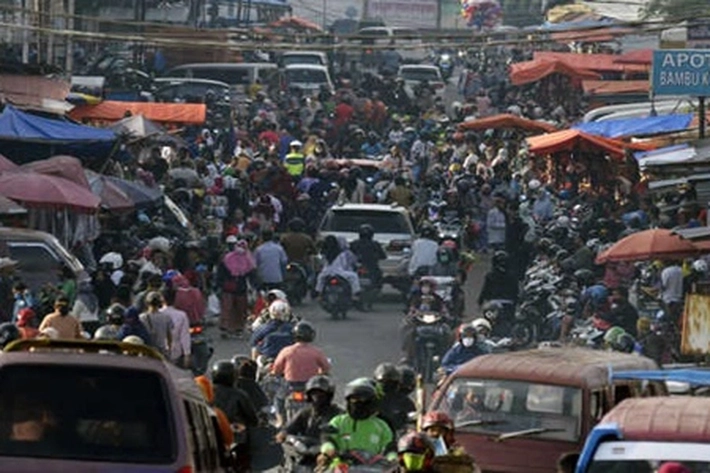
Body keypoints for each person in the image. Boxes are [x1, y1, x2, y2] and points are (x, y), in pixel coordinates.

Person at [319, 379, 395, 465]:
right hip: (341, 467)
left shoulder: (381, 426)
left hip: (373, 469)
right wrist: (328, 450)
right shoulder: (339, 421)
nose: (358, 403)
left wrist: (392, 459)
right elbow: (328, 439)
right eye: (354, 399)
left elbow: (390, 448)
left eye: (363, 399)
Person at [276, 374, 343, 466]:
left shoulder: (339, 414)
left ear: (329, 395)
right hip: (305, 451)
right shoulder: (305, 412)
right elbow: (289, 428)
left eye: (321, 393)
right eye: (314, 393)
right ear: (308, 395)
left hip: (328, 454)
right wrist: (283, 434)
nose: (317, 396)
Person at [211, 360, 259, 472]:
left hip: (211, 434)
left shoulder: (205, 392)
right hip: (235, 436)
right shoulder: (240, 394)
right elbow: (252, 419)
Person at [217, 236, 257, 337]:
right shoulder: (248, 259)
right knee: (240, 309)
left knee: (228, 308)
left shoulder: (227, 258)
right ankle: (237, 328)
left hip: (228, 287)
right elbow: (252, 274)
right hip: (240, 287)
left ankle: (227, 328)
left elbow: (220, 273)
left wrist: (220, 285)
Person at [374, 362, 416, 434]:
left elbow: (413, 417)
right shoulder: (372, 399)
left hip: (397, 436)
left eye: (392, 382)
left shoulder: (404, 401)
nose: (388, 385)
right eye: (384, 382)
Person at [315, 235, 361, 300]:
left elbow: (321, 263)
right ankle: (355, 294)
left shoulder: (325, 254)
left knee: (320, 279)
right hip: (339, 272)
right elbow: (349, 263)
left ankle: (319, 295)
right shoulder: (343, 253)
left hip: (326, 272)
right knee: (354, 276)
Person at [160, 287, 191, 368]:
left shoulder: (157, 315)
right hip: (176, 352)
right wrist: (187, 354)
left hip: (159, 352)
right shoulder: (181, 315)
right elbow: (184, 336)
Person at [350, 224, 386, 288]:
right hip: (365, 266)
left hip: (366, 267)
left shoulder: (354, 243)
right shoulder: (375, 244)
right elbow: (383, 256)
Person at [139, 291, 174, 358]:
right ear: (160, 303)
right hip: (161, 352)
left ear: (147, 303)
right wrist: (169, 350)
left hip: (147, 351)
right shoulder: (166, 317)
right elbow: (169, 336)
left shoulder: (141, 318)